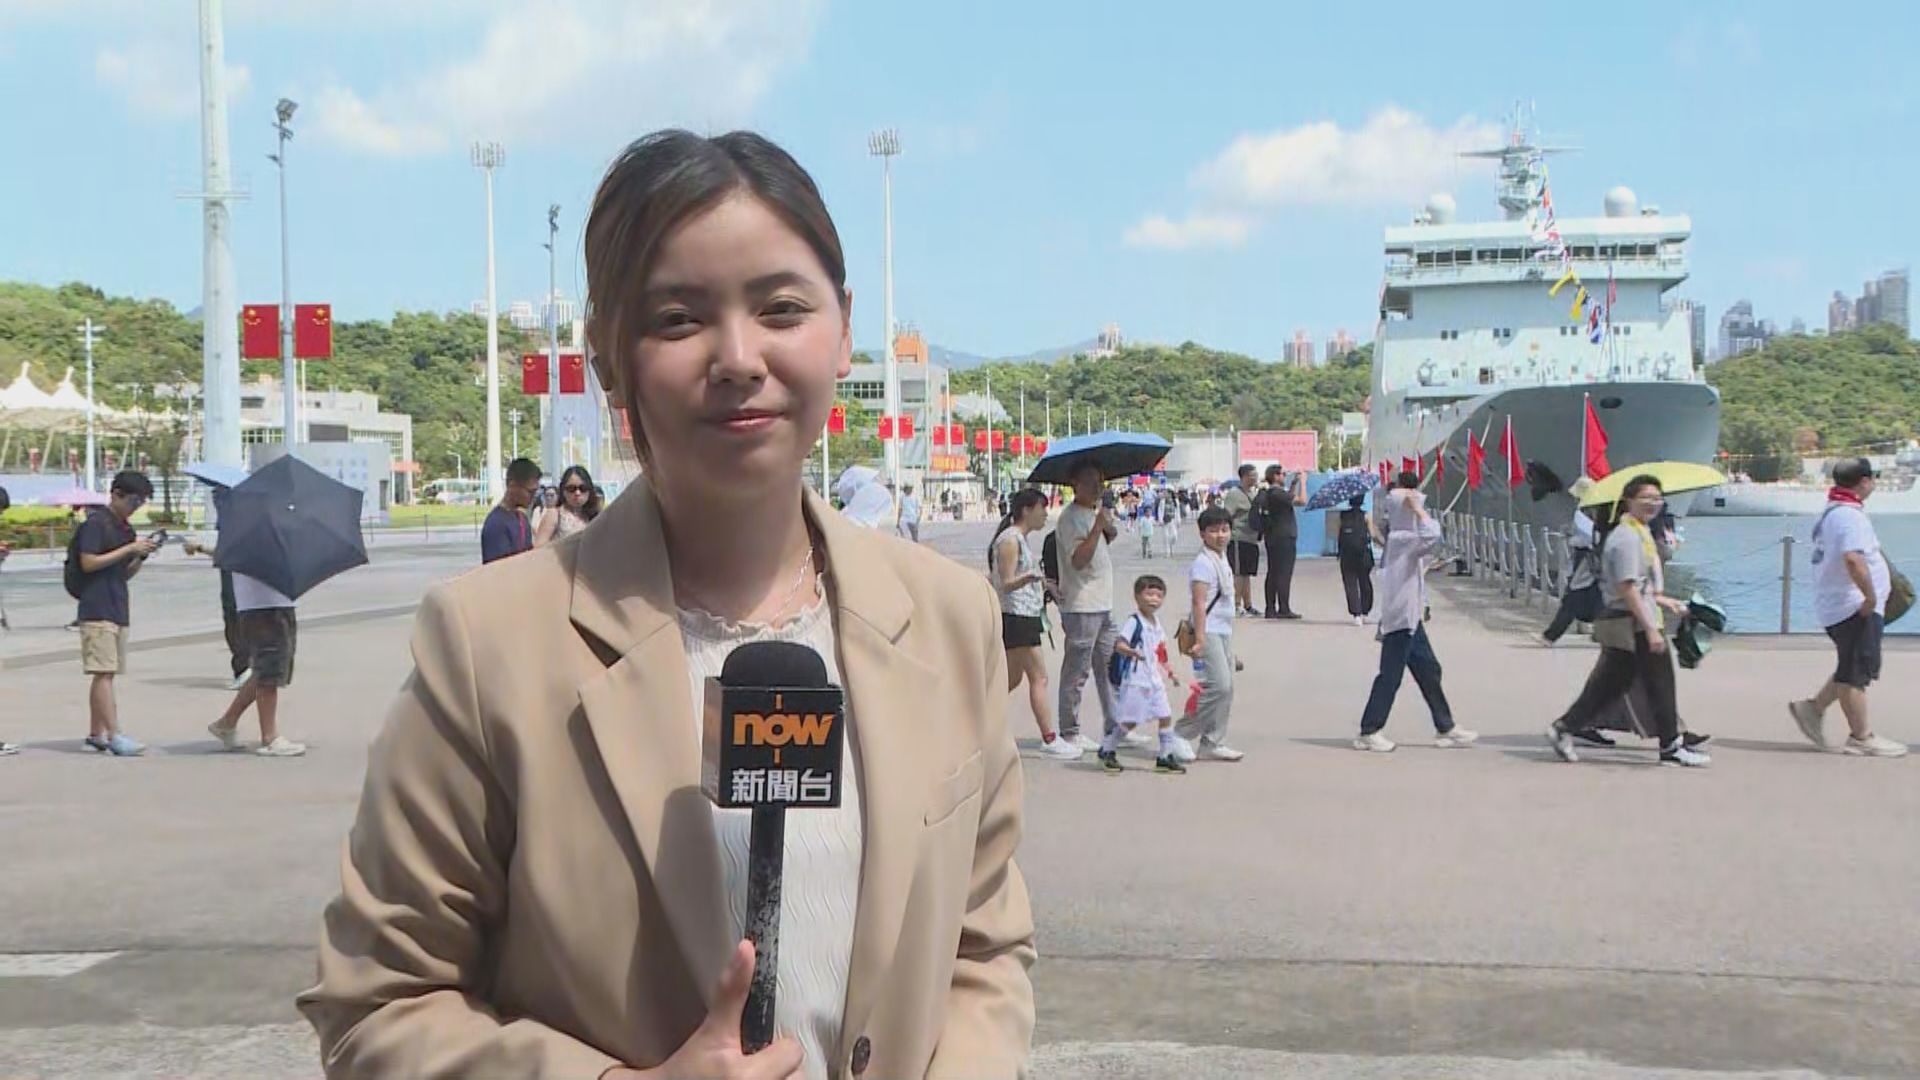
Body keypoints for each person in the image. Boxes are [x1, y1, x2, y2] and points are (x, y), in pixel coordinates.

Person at [299, 129, 1035, 1080]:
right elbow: (375, 1005)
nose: (738, 356)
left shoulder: (949, 619)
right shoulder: (489, 644)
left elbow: (984, 948)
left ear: (843, 327)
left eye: (781, 307)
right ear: (610, 356)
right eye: (679, 319)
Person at [1547, 475, 1710, 767]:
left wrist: (1666, 601)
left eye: (1657, 498)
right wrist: (1650, 629)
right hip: (1632, 622)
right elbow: (1627, 587)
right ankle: (1670, 746)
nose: (1653, 504)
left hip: (1637, 617)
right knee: (1659, 682)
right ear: (1628, 500)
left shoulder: (1639, 533)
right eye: (1645, 498)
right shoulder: (1626, 537)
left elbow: (1641, 585)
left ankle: (1565, 727)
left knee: (1611, 684)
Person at [1787, 457, 1907, 757]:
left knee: (1851, 665)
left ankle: (1812, 709)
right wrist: (1869, 597)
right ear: (1864, 481)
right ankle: (1861, 737)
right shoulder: (1850, 517)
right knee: (1854, 674)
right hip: (1853, 607)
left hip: (1840, 605)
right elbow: (1853, 559)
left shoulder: (1834, 512)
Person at [1354, 476, 1479, 752]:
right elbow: (1434, 535)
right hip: (1400, 619)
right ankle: (1369, 729)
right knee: (1390, 676)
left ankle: (1445, 725)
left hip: (1410, 616)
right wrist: (1419, 510)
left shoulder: (1399, 537)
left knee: (1429, 670)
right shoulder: (1403, 538)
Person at [72, 471, 158, 756]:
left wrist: (139, 556)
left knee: (106, 673)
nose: (136, 506)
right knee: (103, 672)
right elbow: (88, 562)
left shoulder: (125, 530)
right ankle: (114, 734)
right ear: (116, 494)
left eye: (141, 502)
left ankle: (96, 734)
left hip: (117, 605)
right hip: (96, 608)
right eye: (134, 500)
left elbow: (124, 573)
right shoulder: (96, 524)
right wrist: (129, 549)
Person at [991, 488, 1080, 761]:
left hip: (1025, 615)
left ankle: (975, 716)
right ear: (1026, 510)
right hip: (1017, 617)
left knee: (1011, 678)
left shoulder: (1019, 539)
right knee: (1038, 677)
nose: (1045, 515)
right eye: (1042, 508)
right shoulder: (1010, 540)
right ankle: (1050, 738)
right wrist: (1031, 576)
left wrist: (1043, 583)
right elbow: (1004, 583)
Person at [1054, 461, 1119, 750]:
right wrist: (1097, 529)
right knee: (1077, 671)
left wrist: (1105, 528)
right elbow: (1079, 561)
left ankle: (1116, 724)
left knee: (1110, 667)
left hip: (1102, 603)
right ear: (1074, 485)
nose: (1097, 488)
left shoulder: (1092, 514)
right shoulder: (1070, 519)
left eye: (1100, 482)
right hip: (1082, 605)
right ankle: (1070, 730)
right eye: (1090, 482)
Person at [207, 572, 308, 757]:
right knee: (269, 669)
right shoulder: (255, 544)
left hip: (276, 602)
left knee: (268, 669)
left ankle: (227, 723)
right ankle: (269, 737)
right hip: (263, 606)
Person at [1172, 507, 1244, 762]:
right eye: (1213, 531)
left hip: (1223, 630)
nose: (1220, 535)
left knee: (1227, 688)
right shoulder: (1203, 563)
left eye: (1224, 530)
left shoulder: (1221, 558)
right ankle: (1179, 734)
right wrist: (1201, 638)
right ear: (1202, 534)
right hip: (1209, 631)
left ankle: (1213, 741)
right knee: (1218, 686)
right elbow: (1199, 603)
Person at [1096, 575, 1185, 774]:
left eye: (1158, 595)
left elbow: (1160, 651)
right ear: (1137, 597)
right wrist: (1131, 652)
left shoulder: (1156, 623)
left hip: (1154, 680)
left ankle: (1165, 755)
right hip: (1137, 680)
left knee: (1165, 715)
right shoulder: (1134, 622)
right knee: (1130, 720)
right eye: (1149, 594)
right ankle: (1107, 748)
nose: (1153, 599)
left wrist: (1170, 671)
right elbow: (1119, 644)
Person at [183, 487, 253, 690]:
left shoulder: (238, 519)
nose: (215, 500)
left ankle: (245, 668)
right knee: (233, 618)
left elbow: (232, 550)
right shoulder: (229, 518)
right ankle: (244, 667)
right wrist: (200, 549)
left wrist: (201, 549)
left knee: (236, 618)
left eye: (218, 495)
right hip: (231, 572)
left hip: (239, 575)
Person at [1542, 485, 1602, 648]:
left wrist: (1571, 538)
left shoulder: (1584, 515)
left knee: (1573, 601)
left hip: (1587, 561)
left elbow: (1587, 538)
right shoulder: (1596, 513)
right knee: (1598, 599)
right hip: (1594, 563)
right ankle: (1602, 633)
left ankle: (1551, 635)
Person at [1258, 465, 1306, 619]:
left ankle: (1271, 608)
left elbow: (1288, 501)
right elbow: (1302, 501)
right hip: (1284, 537)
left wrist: (1293, 485)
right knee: (1284, 573)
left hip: (1273, 536)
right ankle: (1283, 608)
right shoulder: (1277, 493)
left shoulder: (1272, 494)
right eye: (1283, 474)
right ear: (1275, 476)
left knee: (1273, 572)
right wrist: (1303, 483)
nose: (1285, 476)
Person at [479, 457, 541, 564]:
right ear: (512, 485)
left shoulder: (522, 519)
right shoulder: (496, 523)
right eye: (530, 491)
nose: (534, 497)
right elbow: (496, 570)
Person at [1220, 464, 1261, 616]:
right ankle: (1236, 605)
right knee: (1238, 573)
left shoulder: (1253, 493)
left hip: (1251, 539)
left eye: (1256, 475)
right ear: (1243, 477)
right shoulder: (1234, 494)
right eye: (1252, 475)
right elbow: (1227, 516)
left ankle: (1248, 605)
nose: (1255, 478)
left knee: (1247, 574)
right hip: (1238, 539)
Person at [534, 464, 604, 546]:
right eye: (571, 489)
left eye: (583, 488)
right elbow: (538, 547)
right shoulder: (554, 514)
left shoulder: (594, 516)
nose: (577, 493)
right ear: (563, 490)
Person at [1336, 493, 1377, 625]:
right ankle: (1365, 611)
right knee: (1365, 582)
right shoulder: (1366, 515)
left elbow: (1338, 534)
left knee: (1350, 583)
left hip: (1346, 554)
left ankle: (1356, 614)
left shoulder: (1342, 515)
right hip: (1363, 554)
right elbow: (1373, 534)